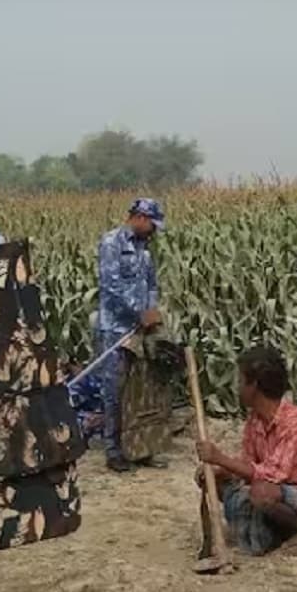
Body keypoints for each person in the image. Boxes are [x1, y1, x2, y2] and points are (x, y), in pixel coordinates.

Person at [196, 345, 297, 555]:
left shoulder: (295, 422)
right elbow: (248, 464)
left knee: (261, 492)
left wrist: (219, 458)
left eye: (241, 381)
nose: (237, 387)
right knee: (214, 479)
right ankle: (272, 530)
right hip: (279, 492)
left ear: (254, 386)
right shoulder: (255, 420)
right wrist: (218, 471)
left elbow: (273, 475)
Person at [96, 198, 165, 473]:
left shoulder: (144, 250)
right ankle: (114, 451)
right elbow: (110, 286)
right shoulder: (112, 243)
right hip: (115, 329)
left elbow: (151, 284)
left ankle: (141, 447)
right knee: (115, 391)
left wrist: (151, 310)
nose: (154, 231)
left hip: (141, 330)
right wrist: (138, 312)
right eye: (152, 224)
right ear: (138, 217)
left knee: (141, 391)